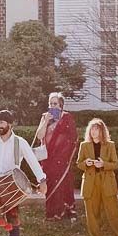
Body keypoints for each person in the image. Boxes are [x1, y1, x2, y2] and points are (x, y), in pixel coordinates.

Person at [77, 118, 118, 236]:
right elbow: (79, 163)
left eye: (97, 129)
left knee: (113, 213)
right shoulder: (84, 145)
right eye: (92, 129)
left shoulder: (110, 145)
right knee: (92, 215)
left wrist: (104, 165)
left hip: (107, 182)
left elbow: (116, 164)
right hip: (90, 183)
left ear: (102, 131)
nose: (94, 131)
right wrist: (86, 163)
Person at [33, 92, 77, 220]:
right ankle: (52, 213)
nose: (53, 106)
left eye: (55, 104)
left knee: (63, 183)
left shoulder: (67, 117)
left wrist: (64, 155)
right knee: (50, 183)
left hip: (62, 159)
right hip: (48, 158)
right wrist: (46, 121)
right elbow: (40, 136)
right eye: (51, 103)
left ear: (61, 105)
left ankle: (64, 211)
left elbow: (72, 138)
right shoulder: (45, 118)